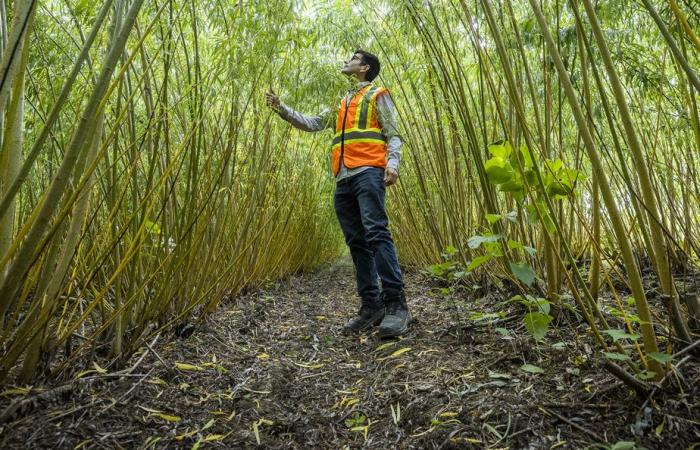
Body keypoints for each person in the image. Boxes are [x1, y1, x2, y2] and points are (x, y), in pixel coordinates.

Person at [265, 49, 410, 338]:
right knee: (357, 241)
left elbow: (394, 132)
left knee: (376, 233)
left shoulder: (377, 94)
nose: (346, 62)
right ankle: (371, 305)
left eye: (352, 58)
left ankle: (396, 305)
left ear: (364, 67)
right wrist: (281, 108)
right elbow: (312, 123)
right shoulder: (340, 102)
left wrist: (392, 164)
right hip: (343, 178)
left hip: (369, 171)